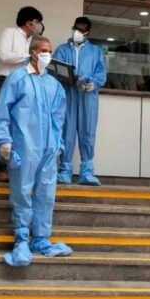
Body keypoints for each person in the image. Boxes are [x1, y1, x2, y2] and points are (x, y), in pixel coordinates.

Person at [0, 37, 72, 267]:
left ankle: (42, 239)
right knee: (22, 191)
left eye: (50, 51)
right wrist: (3, 141)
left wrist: (59, 146)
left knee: (46, 194)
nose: (47, 55)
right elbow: (2, 111)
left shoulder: (53, 85)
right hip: (24, 147)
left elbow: (58, 120)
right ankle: (22, 238)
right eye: (44, 50)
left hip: (48, 149)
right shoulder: (17, 79)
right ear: (32, 52)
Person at [0, 6, 44, 182]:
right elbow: (4, 56)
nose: (40, 26)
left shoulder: (33, 41)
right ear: (29, 22)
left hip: (23, 84)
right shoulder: (10, 32)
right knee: (1, 124)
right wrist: (27, 57)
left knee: (19, 126)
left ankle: (16, 168)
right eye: (38, 22)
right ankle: (0, 168)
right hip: (4, 81)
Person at [53, 17, 107, 186]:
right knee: (66, 132)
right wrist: (70, 78)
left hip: (87, 96)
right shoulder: (62, 49)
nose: (77, 32)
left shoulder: (96, 51)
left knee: (88, 132)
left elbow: (101, 72)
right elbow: (54, 69)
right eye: (75, 28)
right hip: (68, 94)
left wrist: (95, 83)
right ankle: (64, 171)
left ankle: (87, 171)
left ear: (87, 33)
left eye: (81, 29)